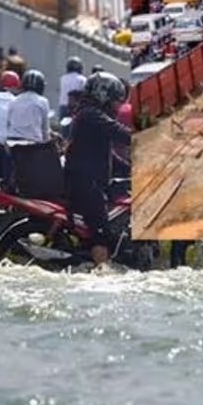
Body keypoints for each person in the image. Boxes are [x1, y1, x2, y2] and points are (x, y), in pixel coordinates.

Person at [65, 72, 132, 267]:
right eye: (115, 101)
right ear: (103, 96)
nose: (117, 106)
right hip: (85, 184)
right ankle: (102, 274)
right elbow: (120, 133)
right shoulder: (91, 116)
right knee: (101, 234)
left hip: (92, 181)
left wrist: (131, 169)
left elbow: (108, 155)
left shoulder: (89, 114)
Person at [6, 70, 51, 144]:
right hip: (32, 144)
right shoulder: (43, 101)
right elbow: (45, 129)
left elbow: (7, 124)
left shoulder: (14, 100)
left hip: (11, 142)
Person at [58, 57, 86, 123]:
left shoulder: (63, 78)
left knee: (63, 127)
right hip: (75, 107)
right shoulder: (82, 79)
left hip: (63, 105)